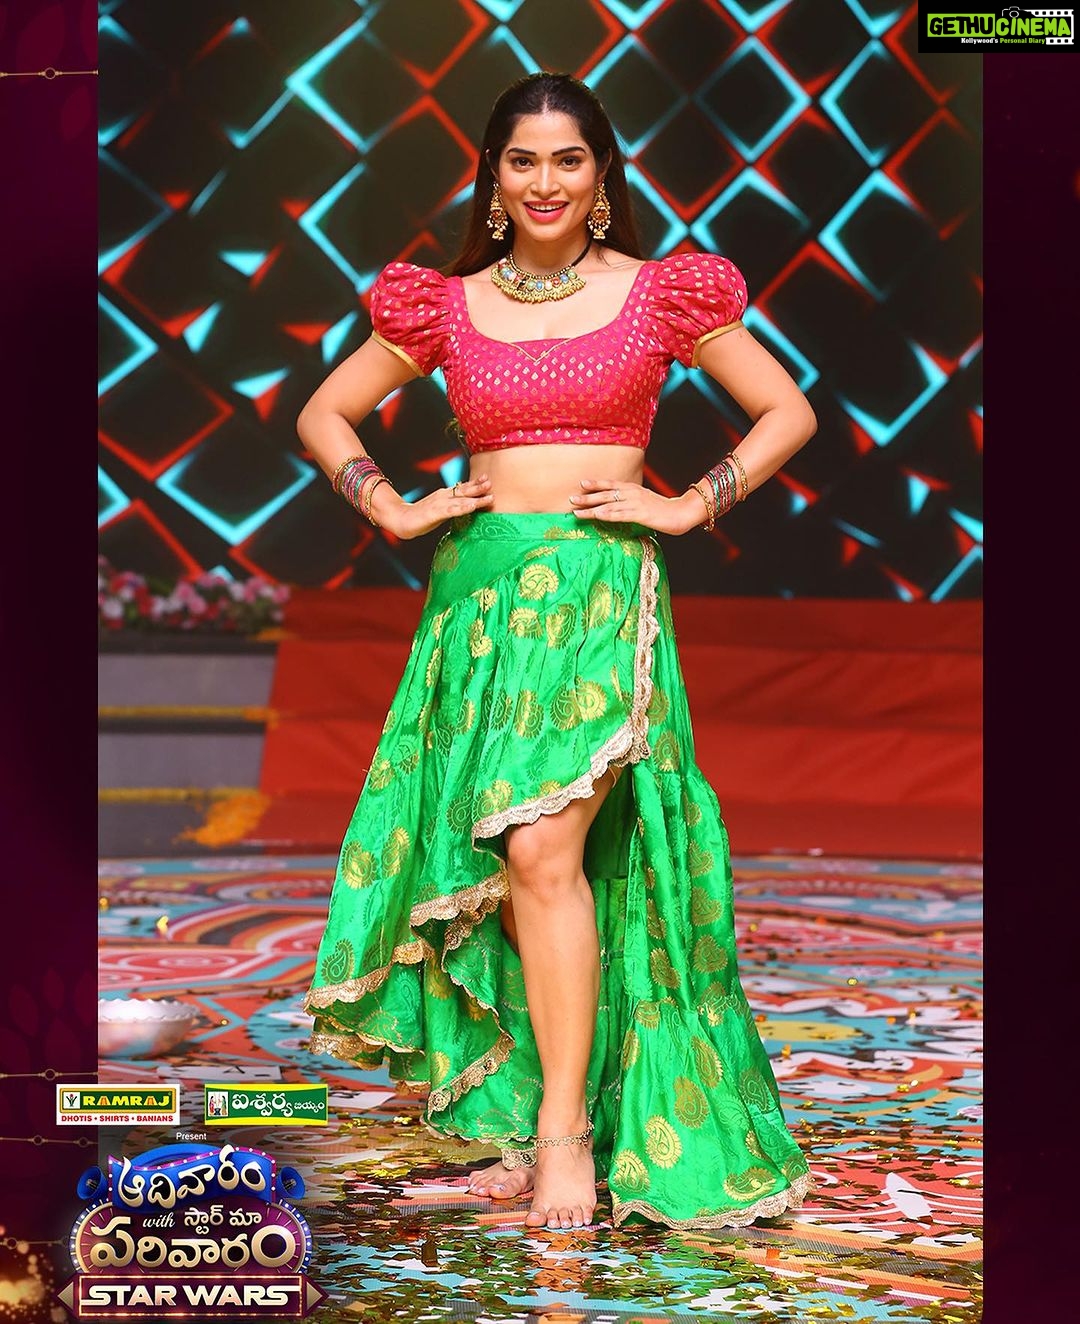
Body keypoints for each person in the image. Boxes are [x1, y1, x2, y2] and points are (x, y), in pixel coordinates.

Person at [299, 72, 817, 1232]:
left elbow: (787, 410)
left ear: (601, 176)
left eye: (568, 160)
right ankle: (522, 1108)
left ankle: (566, 1133)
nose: (545, 182)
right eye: (523, 160)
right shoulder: (443, 305)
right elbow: (323, 412)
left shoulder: (661, 294)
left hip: (597, 596)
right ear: (493, 177)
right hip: (480, 605)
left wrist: (691, 504)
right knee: (501, 862)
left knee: (542, 851)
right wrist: (389, 505)